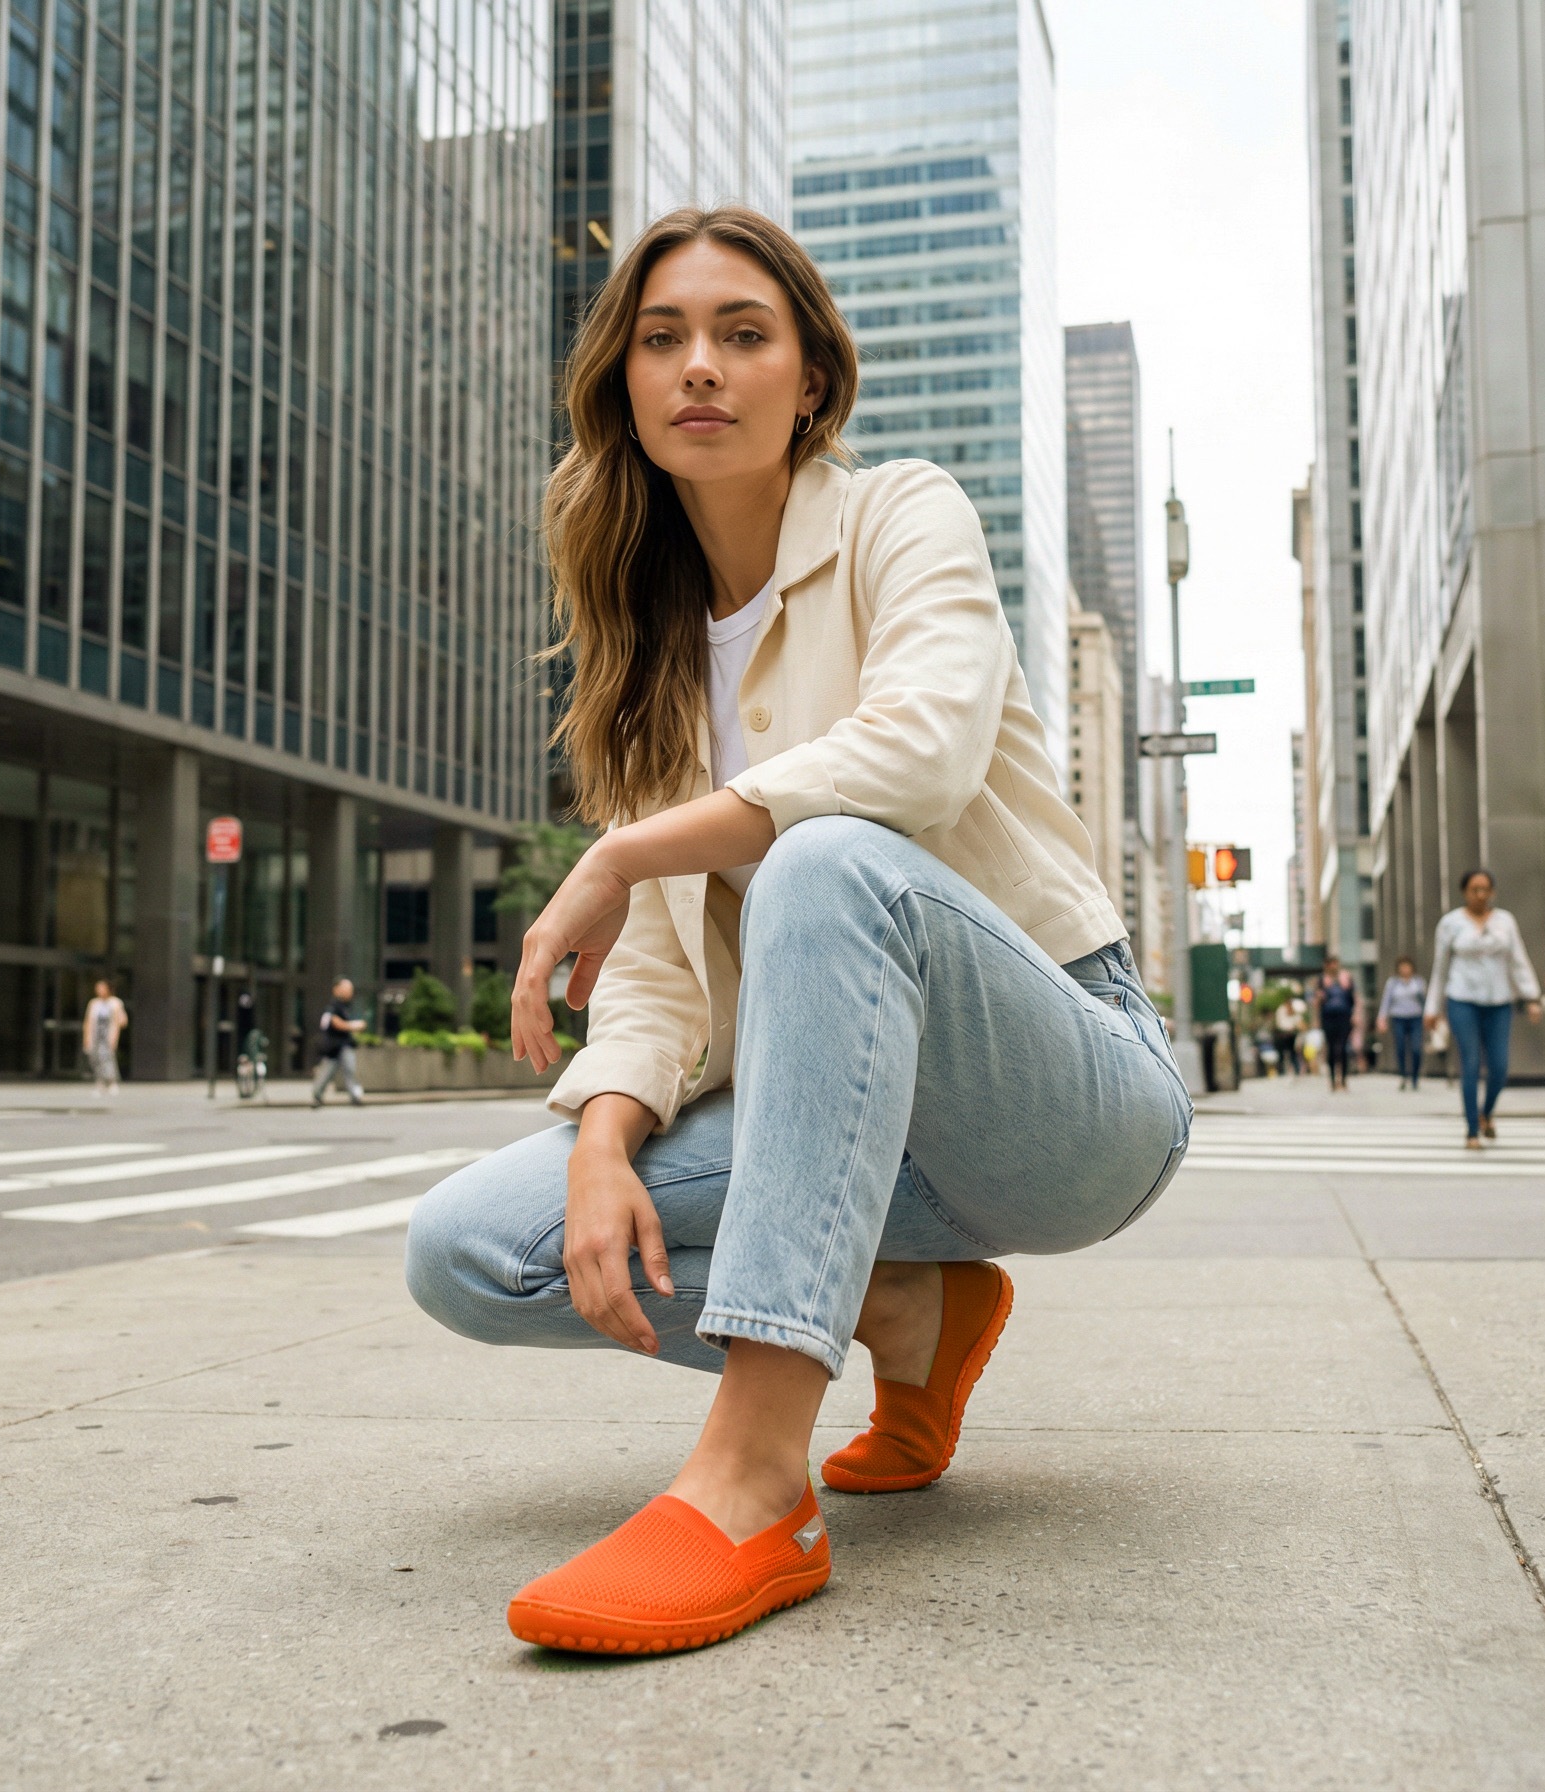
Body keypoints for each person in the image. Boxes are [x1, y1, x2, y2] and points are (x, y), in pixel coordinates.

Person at [403, 206, 1191, 1658]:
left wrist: (627, 847)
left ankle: (758, 1477)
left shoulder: (902, 511)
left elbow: (921, 759)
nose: (699, 367)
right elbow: (654, 975)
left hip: (1063, 1092)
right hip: (854, 1147)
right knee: (471, 1249)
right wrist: (599, 1143)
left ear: (810, 379)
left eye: (742, 335)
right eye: (662, 340)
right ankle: (909, 1313)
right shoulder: (647, 656)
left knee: (828, 860)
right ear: (624, 387)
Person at [1426, 870, 1543, 1148]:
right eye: (1474, 889)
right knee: (1470, 1063)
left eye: (1485, 889)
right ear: (1465, 892)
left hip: (1499, 1001)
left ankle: (1486, 1113)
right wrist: (1433, 1008)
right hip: (1461, 999)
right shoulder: (1450, 923)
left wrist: (1532, 997)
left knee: (1500, 1066)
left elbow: (1518, 960)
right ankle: (1471, 1131)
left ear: (1493, 892)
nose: (1480, 895)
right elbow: (1440, 969)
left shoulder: (1505, 921)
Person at [311, 977, 369, 1107]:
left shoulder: (345, 1006)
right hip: (334, 1045)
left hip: (343, 1044)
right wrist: (354, 1025)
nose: (350, 992)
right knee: (330, 1071)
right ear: (337, 989)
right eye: (347, 989)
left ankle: (355, 1096)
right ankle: (317, 1095)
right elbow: (335, 1022)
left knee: (349, 1070)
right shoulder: (333, 1005)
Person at [1377, 956, 1427, 1090]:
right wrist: (1382, 1018)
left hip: (1415, 1018)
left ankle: (1415, 1077)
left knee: (1416, 1049)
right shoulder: (1393, 983)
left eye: (1407, 966)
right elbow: (1386, 1001)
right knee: (1401, 1048)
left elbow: (1425, 1002)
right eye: (1402, 966)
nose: (1405, 969)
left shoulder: (1418, 982)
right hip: (1398, 1018)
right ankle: (1403, 1075)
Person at [1315, 954, 1359, 1090]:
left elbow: (1354, 998)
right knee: (1331, 1049)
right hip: (1328, 1018)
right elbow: (1317, 1002)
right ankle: (1333, 1080)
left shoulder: (1346, 978)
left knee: (1343, 1048)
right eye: (1330, 964)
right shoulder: (1322, 980)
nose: (1333, 967)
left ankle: (1344, 1079)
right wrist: (1317, 1018)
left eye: (1335, 963)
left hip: (1344, 1017)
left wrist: (1355, 1015)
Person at [83, 979, 127, 1097]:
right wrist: (87, 1037)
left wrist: (118, 1024)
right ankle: (100, 1083)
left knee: (107, 1059)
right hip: (95, 1035)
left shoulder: (115, 1003)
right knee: (95, 1059)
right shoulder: (94, 1003)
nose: (99, 990)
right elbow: (88, 1021)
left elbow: (122, 1021)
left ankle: (112, 1083)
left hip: (108, 1035)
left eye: (102, 988)